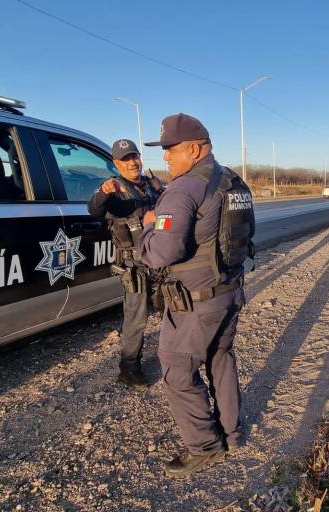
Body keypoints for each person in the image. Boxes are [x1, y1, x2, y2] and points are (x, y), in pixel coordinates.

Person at [138, 113, 255, 477]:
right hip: (229, 291)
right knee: (220, 359)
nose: (166, 157)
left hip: (196, 301)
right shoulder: (232, 181)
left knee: (176, 371)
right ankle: (232, 434)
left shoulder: (184, 189)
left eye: (170, 149)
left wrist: (146, 230)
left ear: (193, 148)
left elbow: (161, 252)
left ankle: (204, 447)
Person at [87, 139, 162, 391]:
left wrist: (162, 190)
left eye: (135, 157)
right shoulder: (113, 188)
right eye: (125, 159)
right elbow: (94, 209)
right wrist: (104, 192)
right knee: (136, 318)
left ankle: (178, 355)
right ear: (116, 163)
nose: (133, 163)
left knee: (173, 307)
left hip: (159, 260)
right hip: (135, 265)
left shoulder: (150, 185)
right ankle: (129, 368)